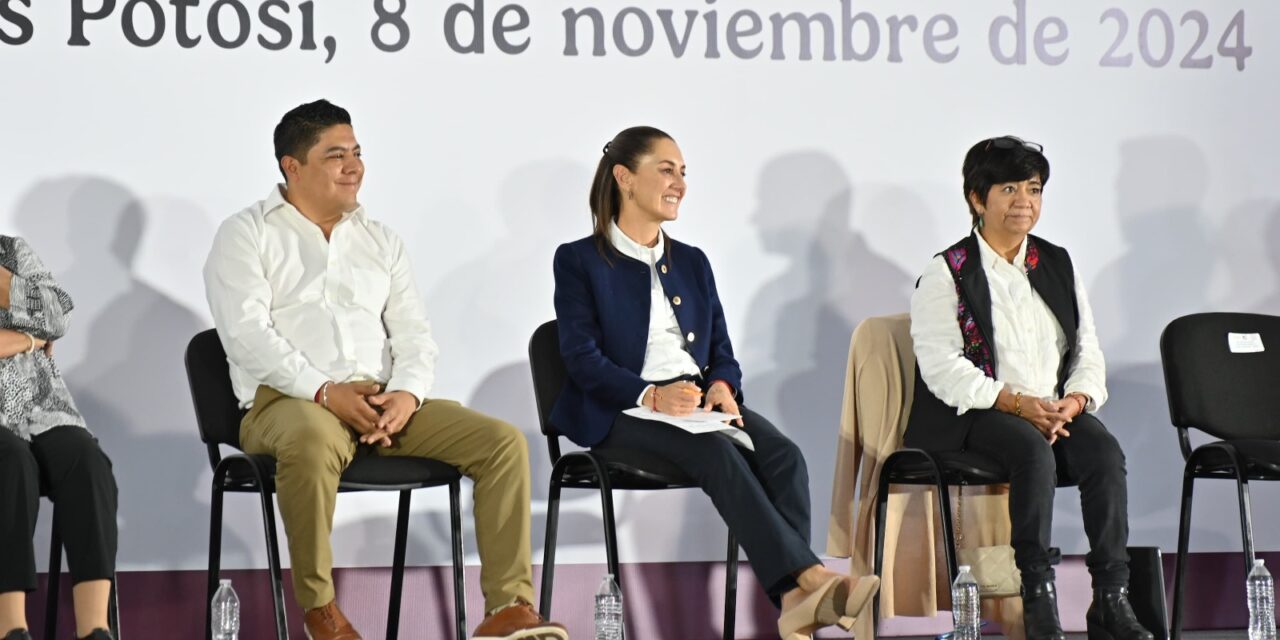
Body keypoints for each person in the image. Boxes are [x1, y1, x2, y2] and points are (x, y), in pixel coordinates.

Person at [203, 99, 566, 640]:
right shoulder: (247, 234)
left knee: (502, 442)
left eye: (356, 152)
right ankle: (320, 610)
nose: (354, 166)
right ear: (291, 167)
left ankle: (507, 610)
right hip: (287, 405)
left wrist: (407, 396)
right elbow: (247, 338)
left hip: (381, 404)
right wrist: (325, 393)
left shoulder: (380, 239)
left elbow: (415, 335)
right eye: (335, 155)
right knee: (309, 434)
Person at [551, 125, 879, 640]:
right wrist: (650, 395)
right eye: (666, 169)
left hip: (695, 402)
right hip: (622, 409)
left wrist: (723, 384)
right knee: (717, 454)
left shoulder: (693, 262)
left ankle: (794, 601)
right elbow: (580, 358)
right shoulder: (579, 259)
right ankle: (808, 579)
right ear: (624, 178)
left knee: (784, 457)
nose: (680, 182)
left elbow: (721, 351)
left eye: (684, 172)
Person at [905, 136, 1154, 640]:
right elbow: (941, 366)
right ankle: (1038, 597)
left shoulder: (1056, 262)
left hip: (1052, 408)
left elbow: (1087, 347)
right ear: (977, 198)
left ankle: (1111, 597)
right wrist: (1018, 403)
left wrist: (1075, 401)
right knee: (1029, 452)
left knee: (1103, 451)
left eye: (1035, 189)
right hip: (977, 413)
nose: (1026, 202)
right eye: (1010, 189)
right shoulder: (948, 271)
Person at [0, 235, 118, 640]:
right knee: (11, 463)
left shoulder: (12, 252)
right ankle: (11, 627)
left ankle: (95, 629)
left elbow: (58, 317)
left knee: (87, 462)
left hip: (42, 407)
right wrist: (29, 340)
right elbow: (43, 330)